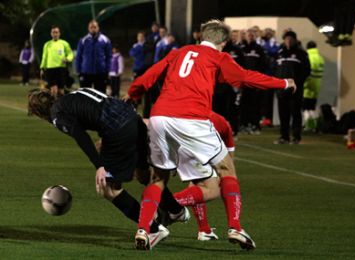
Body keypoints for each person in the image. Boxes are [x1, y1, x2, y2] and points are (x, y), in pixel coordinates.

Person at [126, 19, 296, 251]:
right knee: (226, 168)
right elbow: (246, 78)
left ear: (201, 37)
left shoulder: (180, 51)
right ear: (223, 43)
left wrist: (133, 93)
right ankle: (235, 226)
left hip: (160, 117)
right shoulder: (219, 57)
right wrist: (283, 83)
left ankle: (145, 230)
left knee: (158, 178)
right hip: (192, 118)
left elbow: (150, 75)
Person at [27, 87, 188, 249]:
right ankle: (175, 210)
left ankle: (153, 229)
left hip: (117, 129)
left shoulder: (57, 115)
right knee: (144, 175)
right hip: (131, 116)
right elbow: (107, 105)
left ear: (40, 113)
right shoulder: (77, 93)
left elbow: (80, 135)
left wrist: (100, 166)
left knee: (108, 188)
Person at [177, 111, 235, 241]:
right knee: (213, 190)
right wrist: (227, 174)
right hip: (197, 152)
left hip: (189, 152)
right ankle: (168, 205)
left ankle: (204, 230)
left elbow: (229, 146)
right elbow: (230, 148)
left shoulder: (189, 114)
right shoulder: (219, 120)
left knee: (197, 187)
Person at [274, 30, 311, 144]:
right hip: (281, 90)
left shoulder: (301, 54)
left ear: (294, 40)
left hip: (295, 90)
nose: (288, 41)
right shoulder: (279, 53)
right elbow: (275, 70)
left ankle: (296, 137)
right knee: (283, 115)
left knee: (295, 114)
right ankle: (284, 137)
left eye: (290, 39)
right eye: (286, 39)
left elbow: (306, 71)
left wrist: (297, 83)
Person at [240, 29, 268, 134]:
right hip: (243, 82)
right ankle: (244, 125)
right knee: (244, 104)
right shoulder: (241, 49)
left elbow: (264, 64)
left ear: (255, 36)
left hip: (255, 82)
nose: (250, 37)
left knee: (256, 104)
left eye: (252, 35)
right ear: (246, 36)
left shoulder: (259, 49)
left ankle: (255, 125)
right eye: (248, 35)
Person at [76, 20, 112, 93]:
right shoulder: (83, 40)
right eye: (91, 27)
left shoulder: (105, 40)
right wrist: (79, 71)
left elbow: (109, 57)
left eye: (95, 27)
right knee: (85, 95)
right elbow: (78, 57)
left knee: (100, 95)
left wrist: (107, 71)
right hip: (86, 72)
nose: (93, 29)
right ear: (88, 28)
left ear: (98, 28)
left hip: (100, 72)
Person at [40, 25, 74, 97]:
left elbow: (70, 54)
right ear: (51, 33)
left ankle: (61, 106)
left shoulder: (64, 43)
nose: (55, 34)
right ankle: (53, 106)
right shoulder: (47, 44)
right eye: (53, 32)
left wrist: (67, 59)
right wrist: (42, 68)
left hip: (61, 69)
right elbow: (44, 57)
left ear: (59, 33)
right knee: (53, 89)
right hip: (50, 69)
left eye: (56, 32)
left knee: (61, 91)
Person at [303, 41, 324, 131]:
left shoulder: (309, 57)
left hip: (308, 86)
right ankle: (316, 124)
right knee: (312, 106)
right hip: (317, 84)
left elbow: (307, 73)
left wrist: (304, 84)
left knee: (306, 108)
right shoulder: (320, 58)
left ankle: (310, 125)